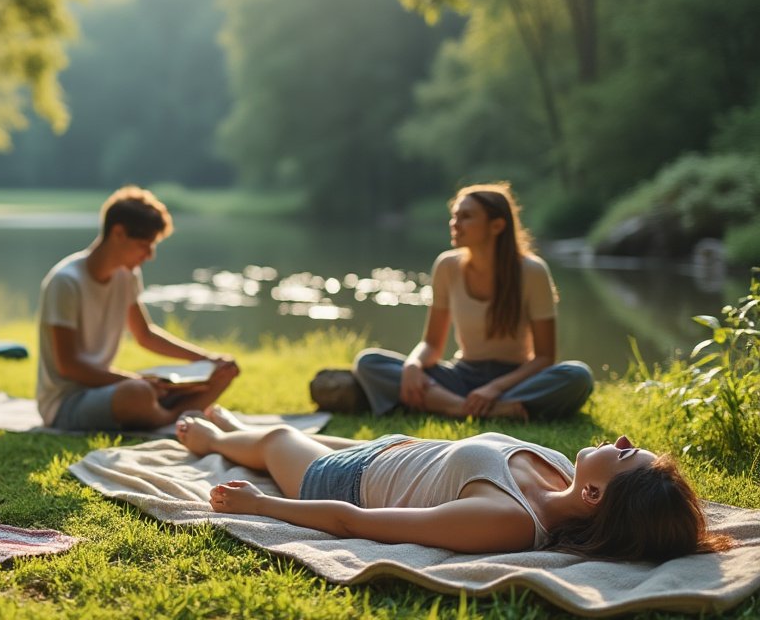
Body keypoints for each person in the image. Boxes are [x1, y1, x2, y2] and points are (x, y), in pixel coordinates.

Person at [176, 409, 734, 561]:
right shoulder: (565, 471)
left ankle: (214, 440)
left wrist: (263, 503)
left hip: (349, 481)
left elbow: (359, 524)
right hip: (395, 452)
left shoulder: (508, 521)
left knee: (275, 439)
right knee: (280, 436)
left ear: (595, 497)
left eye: (625, 456)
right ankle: (230, 427)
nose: (622, 440)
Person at [351, 183, 593, 420]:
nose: (454, 223)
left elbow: (544, 357)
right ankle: (469, 408)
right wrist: (413, 365)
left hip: (514, 379)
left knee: (578, 376)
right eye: (454, 216)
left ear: (497, 225)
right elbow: (432, 344)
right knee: (369, 362)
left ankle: (455, 404)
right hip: (461, 376)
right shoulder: (447, 266)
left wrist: (494, 388)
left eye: (466, 216)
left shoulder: (532, 271)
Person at [36, 186, 240, 431]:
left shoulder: (127, 275)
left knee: (224, 372)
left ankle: (163, 411)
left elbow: (145, 335)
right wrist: (140, 382)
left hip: (108, 389)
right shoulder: (66, 281)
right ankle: (171, 417)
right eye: (145, 244)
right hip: (67, 403)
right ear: (119, 233)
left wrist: (206, 360)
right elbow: (68, 366)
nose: (150, 255)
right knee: (138, 392)